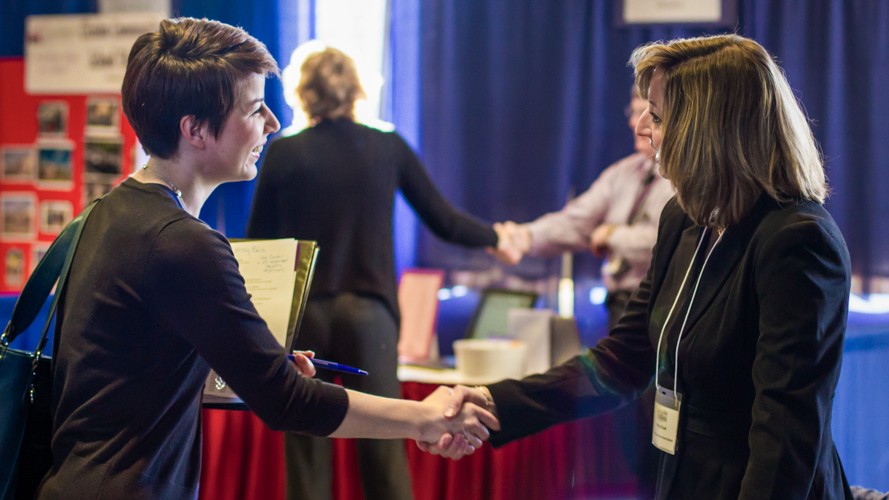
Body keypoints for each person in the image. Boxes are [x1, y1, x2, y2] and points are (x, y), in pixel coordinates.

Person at [35, 18, 496, 500]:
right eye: (255, 110)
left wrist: (249, 361)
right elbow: (286, 401)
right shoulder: (184, 243)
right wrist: (424, 416)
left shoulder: (104, 214)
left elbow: (129, 375)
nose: (273, 124)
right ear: (194, 128)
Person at [426, 34, 855, 500]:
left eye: (657, 117)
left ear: (706, 128)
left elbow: (785, 434)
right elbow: (621, 360)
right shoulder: (684, 220)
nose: (645, 131)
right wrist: (494, 402)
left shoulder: (798, 240)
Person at [245, 46, 501, 500]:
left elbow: (257, 245)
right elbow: (444, 220)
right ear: (356, 89)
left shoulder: (283, 153)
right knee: (384, 449)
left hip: (304, 317)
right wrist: (500, 237)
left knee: (306, 454)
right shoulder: (386, 145)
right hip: (370, 316)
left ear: (302, 94)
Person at [490, 86, 674, 498]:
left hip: (667, 313)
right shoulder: (623, 173)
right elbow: (576, 223)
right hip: (624, 310)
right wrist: (522, 237)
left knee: (666, 439)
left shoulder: (689, 177)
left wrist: (616, 236)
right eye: (632, 110)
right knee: (637, 438)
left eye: (649, 112)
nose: (636, 122)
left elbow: (673, 238)